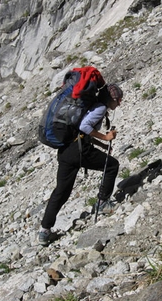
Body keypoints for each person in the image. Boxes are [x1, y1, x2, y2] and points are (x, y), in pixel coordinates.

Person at [38, 84, 123, 246]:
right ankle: (103, 202)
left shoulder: (91, 106)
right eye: (118, 100)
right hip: (80, 151)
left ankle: (44, 230)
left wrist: (103, 146)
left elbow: (80, 130)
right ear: (111, 99)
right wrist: (105, 137)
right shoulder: (99, 108)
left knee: (61, 191)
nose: (119, 103)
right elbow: (84, 127)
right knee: (112, 165)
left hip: (66, 151)